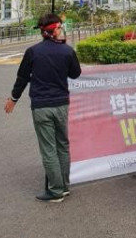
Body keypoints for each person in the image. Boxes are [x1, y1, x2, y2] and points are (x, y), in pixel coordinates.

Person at [4, 13, 82, 203]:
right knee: (62, 145)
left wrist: (13, 99)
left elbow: (22, 78)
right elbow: (75, 74)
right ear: (55, 31)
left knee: (49, 149)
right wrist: (65, 49)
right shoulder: (67, 51)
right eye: (60, 28)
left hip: (41, 107)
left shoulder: (33, 52)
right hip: (62, 104)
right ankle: (64, 186)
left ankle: (55, 190)